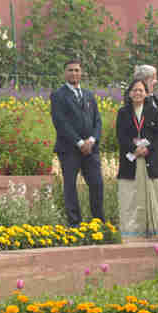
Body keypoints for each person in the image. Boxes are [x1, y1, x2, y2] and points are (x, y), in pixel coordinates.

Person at [49, 59, 105, 228]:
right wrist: (80, 143)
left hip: (91, 149)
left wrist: (92, 140)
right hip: (69, 149)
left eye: (77, 70)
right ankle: (75, 224)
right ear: (65, 73)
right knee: (70, 186)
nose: (74, 73)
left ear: (81, 73)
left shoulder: (89, 95)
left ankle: (98, 222)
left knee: (97, 184)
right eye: (70, 70)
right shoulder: (58, 95)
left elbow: (98, 121)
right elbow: (60, 123)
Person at [116, 79, 158, 238]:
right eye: (135, 90)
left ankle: (156, 231)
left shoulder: (153, 112)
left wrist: (148, 149)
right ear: (130, 93)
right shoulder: (123, 112)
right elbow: (121, 136)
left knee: (154, 195)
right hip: (130, 161)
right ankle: (133, 232)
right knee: (131, 196)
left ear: (146, 93)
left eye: (141, 90)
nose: (138, 93)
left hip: (149, 160)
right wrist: (135, 149)